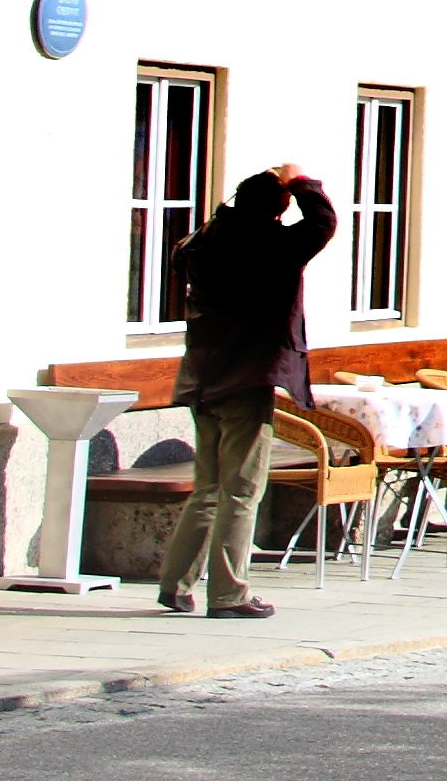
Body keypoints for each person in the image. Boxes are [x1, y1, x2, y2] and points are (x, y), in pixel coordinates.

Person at [154, 162, 335, 619]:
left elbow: (199, 236)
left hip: (202, 377)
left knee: (209, 488)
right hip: (246, 379)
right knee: (241, 490)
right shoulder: (274, 245)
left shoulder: (201, 242)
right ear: (277, 212)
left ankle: (176, 586)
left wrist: (242, 203)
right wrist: (302, 184)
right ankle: (229, 595)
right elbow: (322, 223)